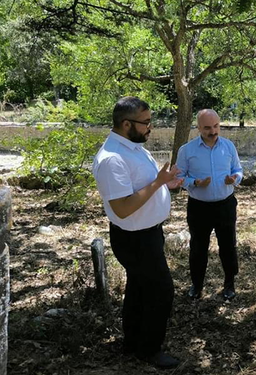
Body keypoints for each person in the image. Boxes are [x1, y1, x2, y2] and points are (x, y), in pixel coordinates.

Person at [92, 96, 183, 369]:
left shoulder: (133, 147)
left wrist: (168, 184)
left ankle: (132, 343)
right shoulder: (112, 159)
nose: (150, 128)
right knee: (161, 291)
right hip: (135, 239)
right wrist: (158, 182)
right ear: (126, 123)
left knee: (139, 289)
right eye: (145, 123)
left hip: (149, 235)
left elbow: (144, 186)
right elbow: (122, 208)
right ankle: (149, 350)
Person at [176, 109, 243, 300]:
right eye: (207, 128)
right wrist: (195, 182)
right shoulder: (186, 150)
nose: (213, 131)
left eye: (216, 126)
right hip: (199, 207)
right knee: (198, 247)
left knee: (228, 246)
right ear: (198, 128)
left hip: (225, 205)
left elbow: (238, 169)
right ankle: (196, 285)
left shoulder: (228, 146)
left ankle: (229, 284)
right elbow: (179, 177)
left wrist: (235, 178)